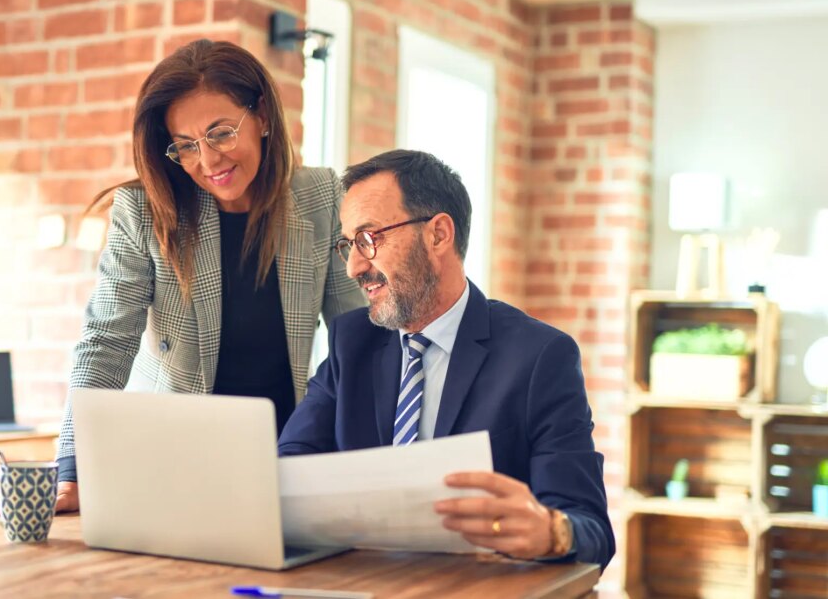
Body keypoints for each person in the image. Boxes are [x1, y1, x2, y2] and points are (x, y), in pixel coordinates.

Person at [55, 40, 366, 512]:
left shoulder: (322, 198)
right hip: (168, 459)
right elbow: (106, 342)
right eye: (185, 146)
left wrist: (375, 457)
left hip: (284, 459)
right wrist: (72, 467)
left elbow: (359, 340)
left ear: (261, 116)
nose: (207, 161)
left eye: (220, 133)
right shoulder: (143, 211)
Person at [277, 149, 615, 569]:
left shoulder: (540, 358)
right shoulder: (352, 343)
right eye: (348, 245)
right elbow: (288, 471)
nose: (353, 268)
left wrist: (551, 530)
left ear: (438, 234)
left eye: (368, 239)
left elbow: (592, 531)